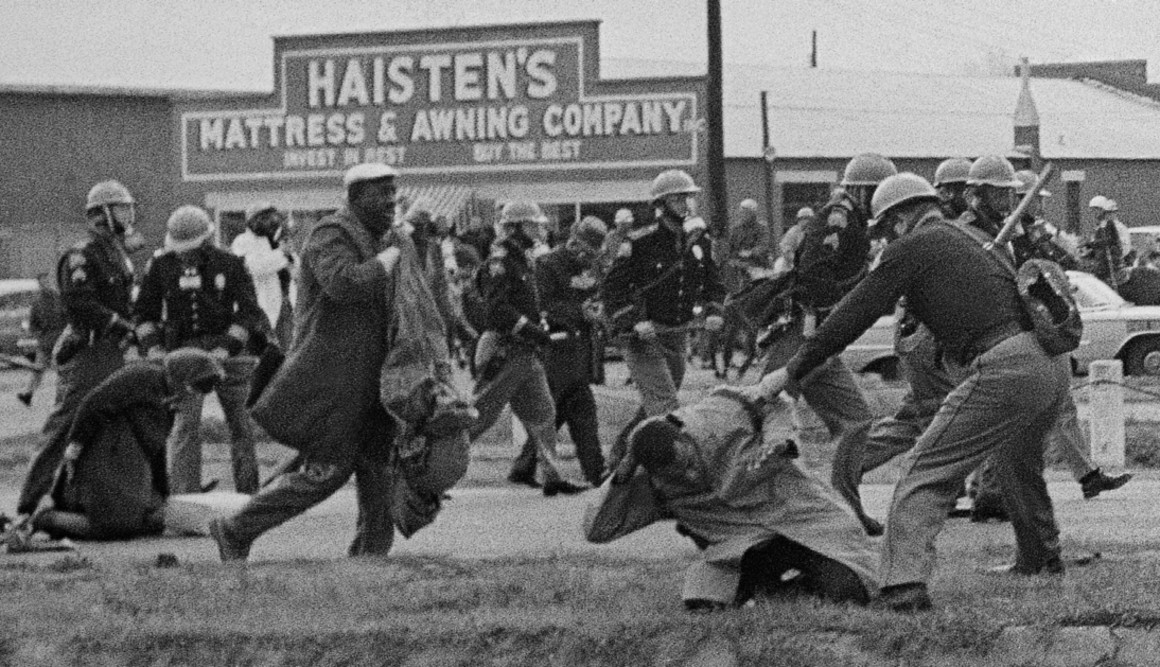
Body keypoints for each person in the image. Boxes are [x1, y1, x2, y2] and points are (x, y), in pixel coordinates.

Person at [758, 172, 1074, 612]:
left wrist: (789, 372)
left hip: (1006, 364)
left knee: (924, 471)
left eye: (886, 227)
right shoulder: (967, 235)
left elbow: (853, 315)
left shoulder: (912, 246)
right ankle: (1040, 558)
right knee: (1016, 463)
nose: (883, 238)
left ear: (901, 217)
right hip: (1051, 362)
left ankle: (902, 586)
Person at [208, 162, 406, 561]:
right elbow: (344, 284)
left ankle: (370, 559)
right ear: (355, 196)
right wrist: (390, 258)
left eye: (393, 191)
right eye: (381, 192)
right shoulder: (330, 234)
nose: (391, 200)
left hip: (371, 380)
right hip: (334, 379)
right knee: (326, 472)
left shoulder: (381, 237)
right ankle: (235, 528)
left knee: (377, 469)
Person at [584, 387, 877, 611]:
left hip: (799, 520)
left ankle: (790, 589)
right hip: (740, 549)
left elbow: (777, 399)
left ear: (684, 436)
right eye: (677, 473)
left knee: (851, 589)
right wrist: (622, 473)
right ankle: (772, 592)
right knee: (704, 605)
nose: (689, 474)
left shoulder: (720, 412)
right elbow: (599, 530)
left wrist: (779, 440)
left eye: (688, 461)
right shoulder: (652, 481)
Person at [958, 159, 1129, 518]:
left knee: (1057, 404)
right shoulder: (979, 232)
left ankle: (1084, 476)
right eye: (1026, 197)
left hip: (1035, 327)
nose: (1036, 204)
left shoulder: (1026, 231)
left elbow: (1052, 267)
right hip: (1002, 335)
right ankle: (980, 490)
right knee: (995, 415)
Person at [761, 153, 897, 536]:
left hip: (822, 339)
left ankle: (845, 510)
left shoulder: (856, 222)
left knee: (857, 422)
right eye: (876, 192)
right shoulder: (838, 218)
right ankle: (750, 508)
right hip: (804, 334)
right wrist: (839, 312)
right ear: (861, 189)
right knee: (766, 422)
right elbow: (815, 273)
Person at [15, 180, 143, 520]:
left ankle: (116, 497)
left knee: (118, 423)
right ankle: (30, 502)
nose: (129, 214)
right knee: (67, 424)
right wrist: (117, 324)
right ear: (101, 213)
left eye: (128, 207)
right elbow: (79, 302)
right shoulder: (81, 255)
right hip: (88, 351)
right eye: (121, 207)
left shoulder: (118, 252)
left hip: (116, 352)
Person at [133, 205, 266, 496]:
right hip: (183, 353)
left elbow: (249, 313)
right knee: (185, 426)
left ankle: (249, 493)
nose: (184, 255)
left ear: (206, 241)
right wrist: (154, 349)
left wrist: (226, 348)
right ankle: (185, 493)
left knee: (241, 424)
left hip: (226, 351)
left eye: (190, 249)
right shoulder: (161, 266)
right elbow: (143, 314)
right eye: (180, 249)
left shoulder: (230, 264)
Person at [28, 349, 225, 540]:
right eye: (193, 387)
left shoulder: (168, 397)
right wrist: (75, 446)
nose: (194, 395)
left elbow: (156, 448)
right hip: (105, 457)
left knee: (154, 522)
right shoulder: (143, 375)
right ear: (182, 375)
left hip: (129, 465)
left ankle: (75, 522)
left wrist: (163, 494)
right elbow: (93, 403)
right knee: (114, 526)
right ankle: (47, 519)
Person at [602, 170, 726, 464]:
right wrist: (634, 320)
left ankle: (619, 458)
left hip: (676, 333)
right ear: (662, 203)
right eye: (678, 197)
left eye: (688, 197)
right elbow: (612, 290)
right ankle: (675, 469)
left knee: (652, 408)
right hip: (643, 337)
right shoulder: (640, 242)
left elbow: (714, 282)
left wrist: (714, 309)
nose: (685, 203)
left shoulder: (697, 241)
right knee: (666, 405)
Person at [468, 200, 586, 496]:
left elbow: (524, 302)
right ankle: (428, 473)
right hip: (505, 352)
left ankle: (553, 477)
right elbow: (497, 311)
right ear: (517, 227)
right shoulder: (502, 260)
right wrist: (530, 329)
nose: (538, 229)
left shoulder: (523, 258)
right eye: (532, 224)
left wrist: (540, 326)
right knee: (478, 416)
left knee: (544, 413)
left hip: (525, 351)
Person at [509, 216, 609, 488]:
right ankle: (595, 468)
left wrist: (597, 310)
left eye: (591, 252)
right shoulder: (547, 265)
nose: (585, 256)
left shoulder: (592, 267)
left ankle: (525, 464)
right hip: (557, 346)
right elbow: (543, 305)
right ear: (572, 240)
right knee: (576, 407)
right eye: (582, 248)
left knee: (560, 409)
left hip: (583, 347)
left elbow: (596, 295)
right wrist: (579, 313)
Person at [230, 202, 296, 351]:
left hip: (285, 303)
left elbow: (295, 270)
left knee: (288, 349)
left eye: (272, 217)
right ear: (253, 221)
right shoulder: (243, 241)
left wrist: (290, 256)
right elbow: (253, 267)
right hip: (260, 304)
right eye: (265, 218)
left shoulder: (277, 240)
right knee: (265, 349)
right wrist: (281, 253)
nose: (270, 222)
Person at [16, 272, 66, 407]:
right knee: (38, 369)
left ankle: (60, 398)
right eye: (42, 282)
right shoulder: (38, 303)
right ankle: (28, 394)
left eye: (47, 281)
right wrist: (39, 334)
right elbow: (33, 324)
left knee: (61, 370)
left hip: (59, 340)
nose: (45, 284)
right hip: (46, 342)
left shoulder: (59, 299)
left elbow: (66, 318)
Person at [1084, 195, 1133, 288]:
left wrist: (1092, 244)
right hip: (1101, 259)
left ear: (1103, 210)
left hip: (1112, 262)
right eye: (1092, 210)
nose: (1093, 213)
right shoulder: (1098, 227)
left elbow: (1112, 241)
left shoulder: (1113, 225)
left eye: (1096, 210)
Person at [773, 207, 811, 274]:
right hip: (792, 264)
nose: (807, 221)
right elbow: (787, 250)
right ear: (799, 220)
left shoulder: (815, 232)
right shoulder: (793, 232)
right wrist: (799, 262)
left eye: (809, 218)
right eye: (804, 218)